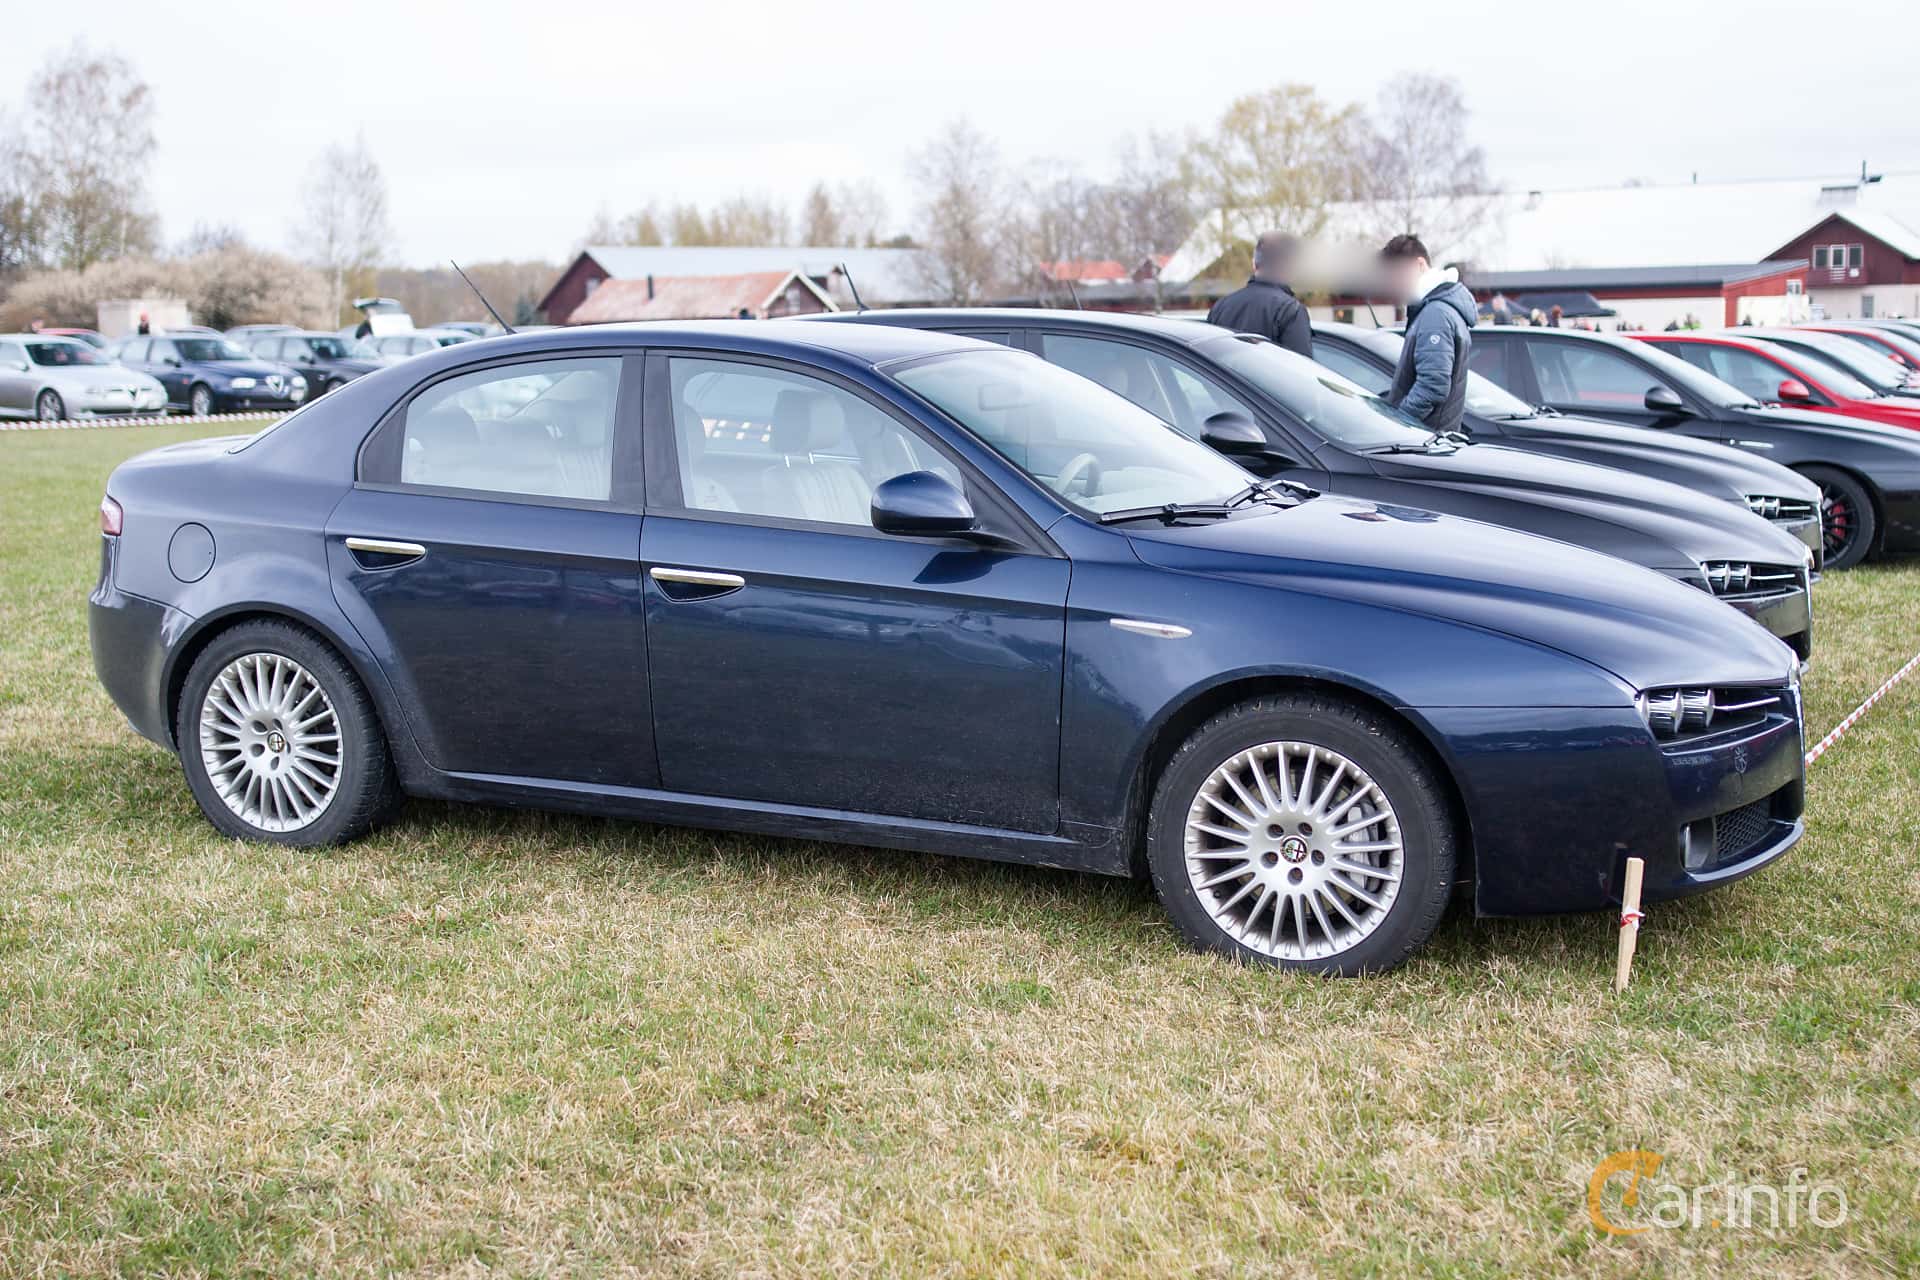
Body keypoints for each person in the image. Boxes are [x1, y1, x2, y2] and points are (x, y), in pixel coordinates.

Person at [1379, 234, 1475, 436]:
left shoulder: (1435, 314)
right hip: (1432, 441)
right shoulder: (1438, 309)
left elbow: (1433, 386)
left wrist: (1397, 421)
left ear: (1420, 264)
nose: (1395, 286)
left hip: (1425, 442)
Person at [1206, 231, 1311, 357]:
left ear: (1254, 263)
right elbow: (1301, 370)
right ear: (1289, 266)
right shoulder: (1290, 311)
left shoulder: (1220, 307)